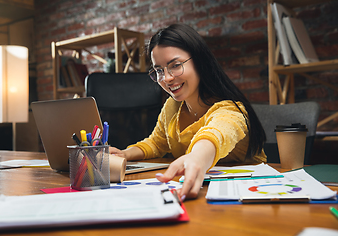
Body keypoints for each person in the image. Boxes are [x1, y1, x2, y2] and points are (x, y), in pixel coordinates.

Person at [110, 23, 267, 201]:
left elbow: (216, 135)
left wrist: (197, 157)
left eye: (175, 65)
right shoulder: (172, 107)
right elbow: (156, 143)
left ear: (199, 61)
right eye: (159, 71)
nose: (167, 78)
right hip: (200, 192)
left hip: (250, 193)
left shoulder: (229, 110)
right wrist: (124, 154)